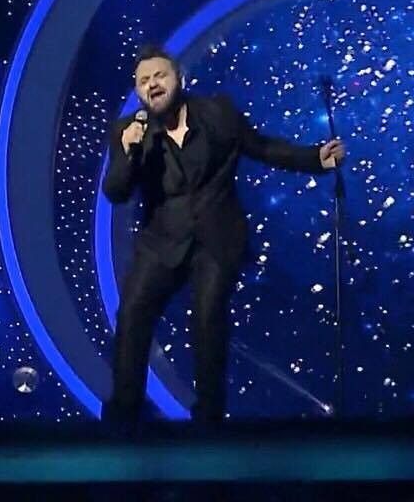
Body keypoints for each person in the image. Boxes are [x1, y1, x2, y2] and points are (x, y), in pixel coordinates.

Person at [101, 44, 345, 424]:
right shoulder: (129, 131)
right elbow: (116, 192)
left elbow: (262, 147)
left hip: (216, 235)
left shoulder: (217, 113)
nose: (152, 85)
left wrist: (314, 158)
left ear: (179, 78)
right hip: (162, 240)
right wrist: (129, 151)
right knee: (132, 312)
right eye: (143, 81)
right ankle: (124, 412)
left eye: (159, 75)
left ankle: (209, 416)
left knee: (208, 316)